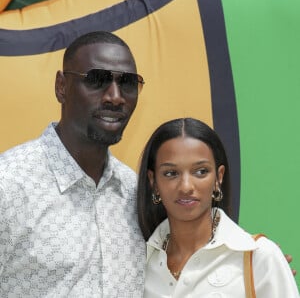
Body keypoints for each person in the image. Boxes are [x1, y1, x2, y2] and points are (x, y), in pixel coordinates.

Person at [0, 31, 146, 297]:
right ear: (61, 87)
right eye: (97, 80)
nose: (115, 97)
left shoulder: (135, 194)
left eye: (127, 83)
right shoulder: (8, 185)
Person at [137, 117, 299, 297]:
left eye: (201, 171)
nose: (186, 186)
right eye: (171, 173)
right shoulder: (137, 265)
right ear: (153, 181)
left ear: (219, 177)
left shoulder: (260, 257)